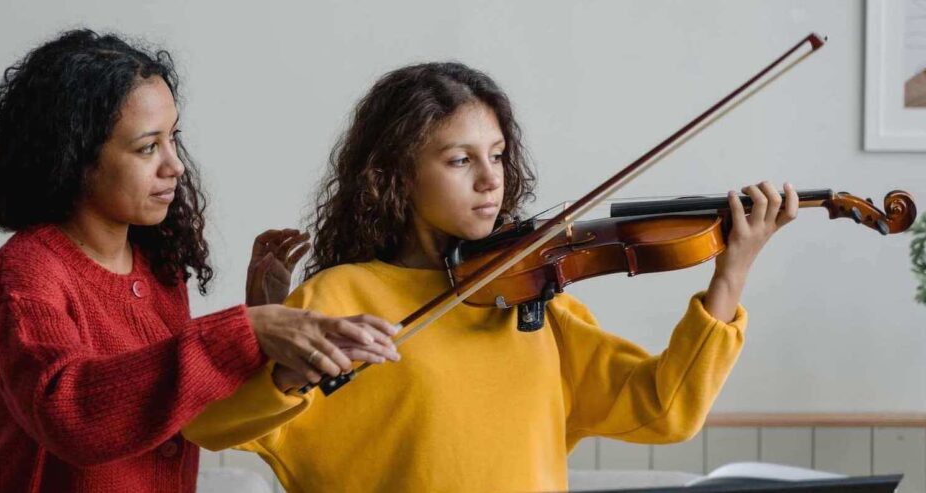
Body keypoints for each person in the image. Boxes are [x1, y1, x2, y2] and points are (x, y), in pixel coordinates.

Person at [183, 62, 798, 492]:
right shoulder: (338, 297)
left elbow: (666, 409)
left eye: (497, 155)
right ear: (395, 175)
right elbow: (213, 426)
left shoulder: (534, 298)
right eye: (460, 160)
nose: (490, 179)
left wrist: (731, 272)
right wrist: (283, 355)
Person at [0, 29, 399, 493]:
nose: (174, 165)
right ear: (73, 157)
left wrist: (261, 323)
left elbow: (180, 406)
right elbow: (70, 415)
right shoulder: (27, 270)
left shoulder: (159, 269)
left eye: (173, 139)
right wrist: (246, 330)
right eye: (147, 147)